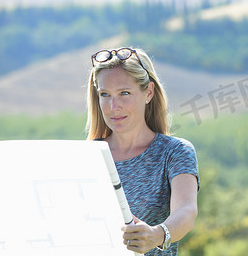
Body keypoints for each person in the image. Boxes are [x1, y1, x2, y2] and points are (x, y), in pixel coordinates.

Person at [85, 47, 199, 255]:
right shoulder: (86, 156)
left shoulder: (175, 152)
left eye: (124, 93)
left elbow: (186, 211)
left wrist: (157, 234)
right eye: (105, 94)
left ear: (148, 92)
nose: (113, 106)